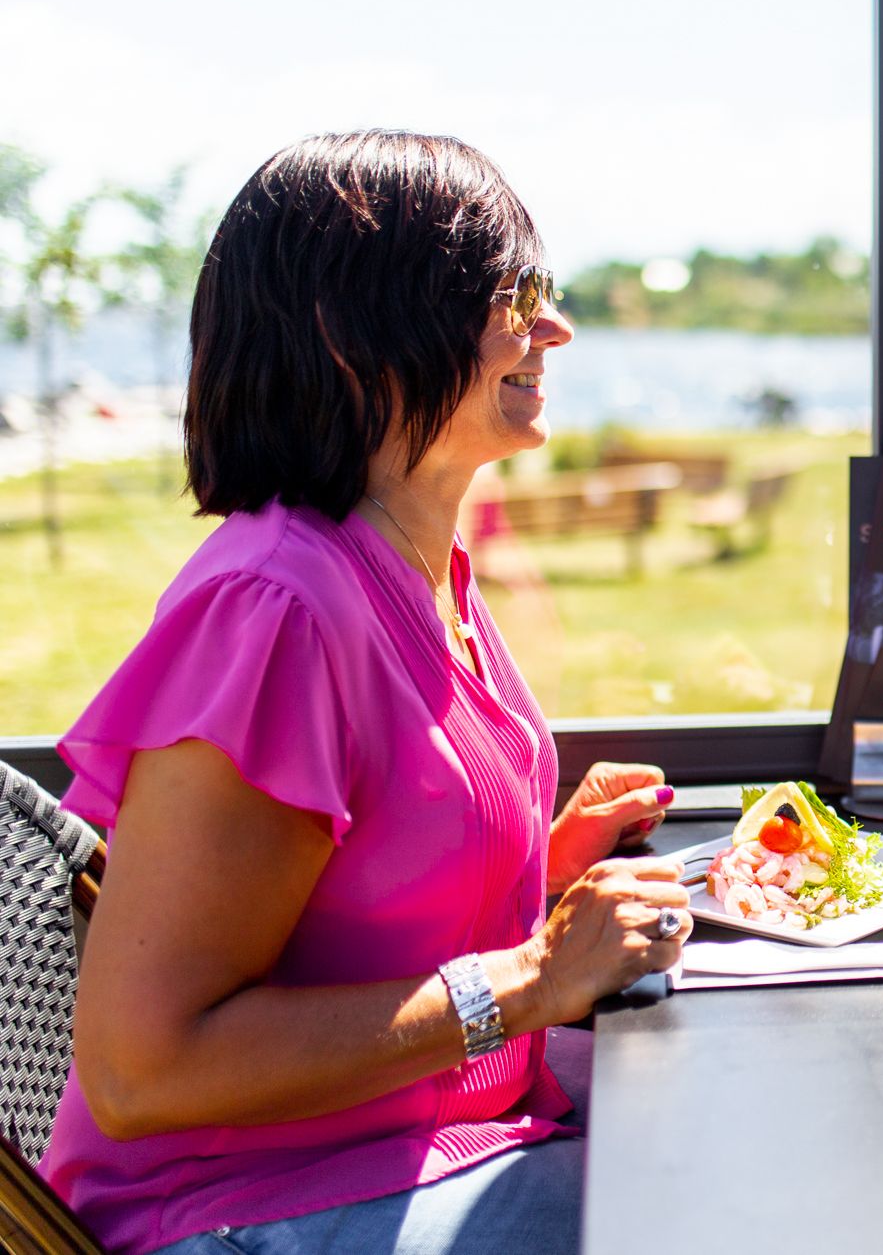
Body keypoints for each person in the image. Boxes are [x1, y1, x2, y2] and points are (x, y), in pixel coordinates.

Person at [39, 131, 697, 1253]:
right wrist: (534, 973)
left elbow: (348, 921)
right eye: (511, 291)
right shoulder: (277, 610)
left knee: (736, 1133)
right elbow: (148, 1067)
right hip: (245, 1215)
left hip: (429, 1145)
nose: (554, 328)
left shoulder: (411, 566)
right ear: (351, 333)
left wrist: (540, 870)